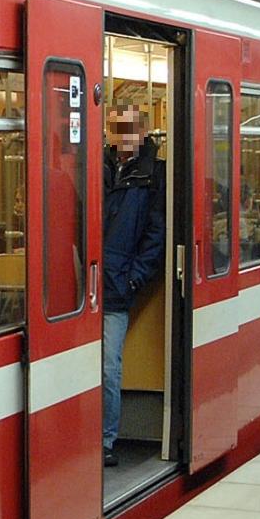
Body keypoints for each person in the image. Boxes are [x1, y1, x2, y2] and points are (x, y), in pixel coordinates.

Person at [102, 106, 165, 467]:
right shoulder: (97, 167)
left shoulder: (153, 174)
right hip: (86, 288)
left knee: (109, 366)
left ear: (142, 134)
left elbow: (155, 236)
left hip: (117, 287)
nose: (122, 137)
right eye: (116, 129)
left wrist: (133, 279)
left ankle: (106, 439)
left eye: (129, 130)